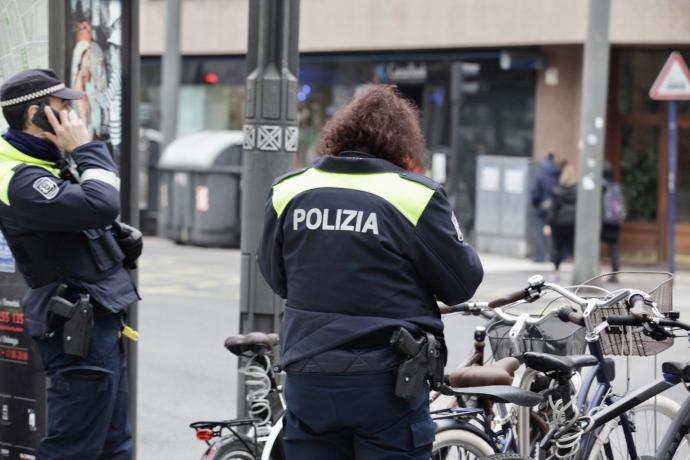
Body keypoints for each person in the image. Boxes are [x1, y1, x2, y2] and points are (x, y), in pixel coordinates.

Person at [257, 85, 483, 459]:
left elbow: (277, 278)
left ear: (339, 135)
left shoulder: (289, 190)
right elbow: (462, 284)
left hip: (307, 375)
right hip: (386, 383)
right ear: (402, 144)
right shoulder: (415, 197)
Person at [0, 69, 139, 459]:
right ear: (35, 114)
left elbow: (86, 221)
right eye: (63, 106)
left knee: (114, 445)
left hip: (101, 318)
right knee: (74, 449)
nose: (74, 115)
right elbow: (101, 203)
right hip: (78, 327)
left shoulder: (43, 160)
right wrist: (85, 148)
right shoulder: (18, 176)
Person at [545, 162, 577, 275]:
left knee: (557, 246)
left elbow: (553, 208)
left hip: (559, 222)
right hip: (573, 222)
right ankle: (576, 267)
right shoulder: (578, 191)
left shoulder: (557, 190)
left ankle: (557, 267)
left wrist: (548, 223)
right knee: (573, 246)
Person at [529, 152, 560, 262]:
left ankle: (541, 257)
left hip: (542, 208)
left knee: (541, 232)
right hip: (555, 208)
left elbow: (535, 194)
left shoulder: (540, 175)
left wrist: (536, 204)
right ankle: (553, 257)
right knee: (554, 233)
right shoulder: (557, 175)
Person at [601, 163, 626, 278]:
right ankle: (615, 272)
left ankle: (594, 271)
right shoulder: (616, 186)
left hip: (603, 220)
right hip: (615, 221)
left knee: (596, 246)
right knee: (614, 246)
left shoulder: (601, 186)